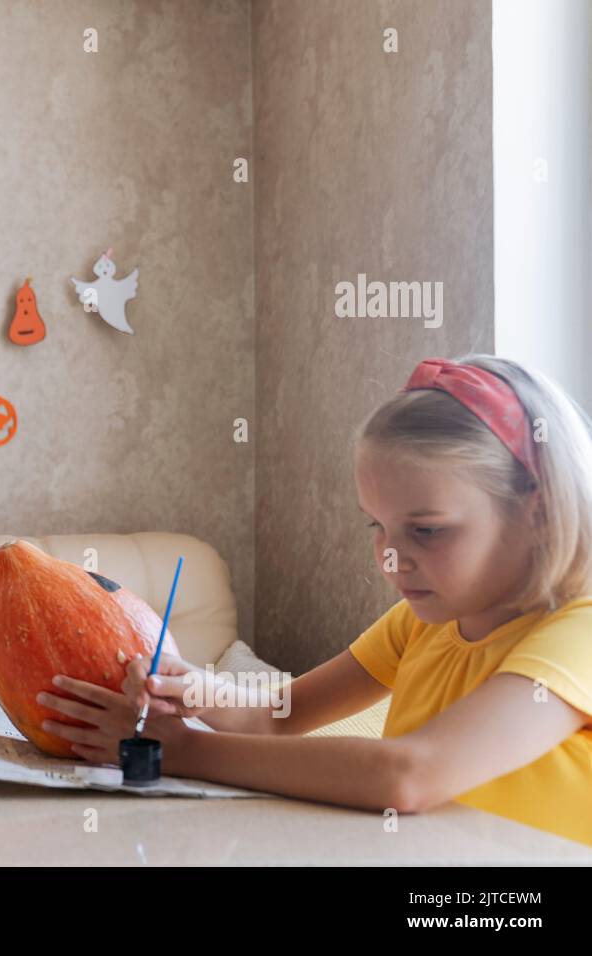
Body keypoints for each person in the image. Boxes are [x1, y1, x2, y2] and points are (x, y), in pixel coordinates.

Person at [40, 355, 592, 845]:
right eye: (377, 526)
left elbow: (408, 776)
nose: (390, 559)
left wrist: (180, 750)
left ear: (536, 514)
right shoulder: (419, 624)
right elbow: (280, 718)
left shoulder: (579, 633)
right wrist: (199, 691)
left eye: (426, 530)